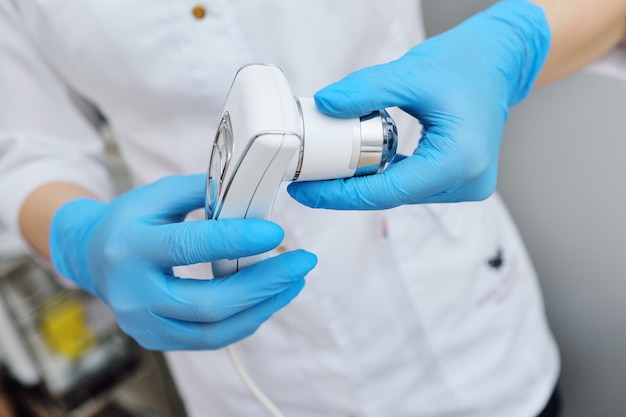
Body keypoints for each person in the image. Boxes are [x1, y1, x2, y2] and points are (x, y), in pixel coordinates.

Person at [1, 0, 625, 416]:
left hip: (465, 332)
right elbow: (28, 150)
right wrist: (81, 241)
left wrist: (512, 45)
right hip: (246, 363)